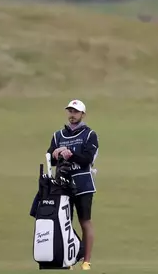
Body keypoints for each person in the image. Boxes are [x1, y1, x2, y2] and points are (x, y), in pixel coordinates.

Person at [48, 99, 99, 270]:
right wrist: (55, 154)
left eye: (75, 112)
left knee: (85, 221)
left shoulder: (89, 134)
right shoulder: (58, 136)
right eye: (70, 111)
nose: (72, 115)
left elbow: (88, 159)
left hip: (83, 183)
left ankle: (86, 261)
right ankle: (68, 260)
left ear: (82, 114)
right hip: (63, 184)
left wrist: (71, 155)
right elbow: (50, 160)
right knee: (64, 222)